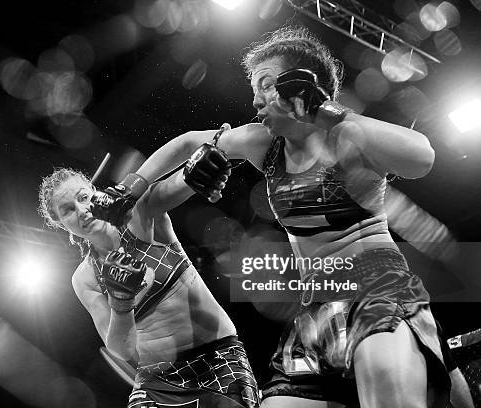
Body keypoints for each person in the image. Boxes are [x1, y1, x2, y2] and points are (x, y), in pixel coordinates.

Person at [120, 26, 451, 408]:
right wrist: (130, 188)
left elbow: (421, 158)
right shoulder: (262, 143)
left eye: (265, 85)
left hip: (374, 288)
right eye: (253, 91)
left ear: (301, 84)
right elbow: (189, 141)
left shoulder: (347, 134)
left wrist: (330, 113)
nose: (256, 101)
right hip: (314, 310)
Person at [38, 168, 259, 408]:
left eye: (82, 197)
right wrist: (121, 302)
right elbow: (121, 350)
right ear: (60, 224)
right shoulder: (86, 278)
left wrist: (206, 161)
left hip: (216, 356)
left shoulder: (139, 218)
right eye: (68, 210)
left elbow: (175, 183)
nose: (81, 210)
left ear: (95, 192)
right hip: (157, 380)